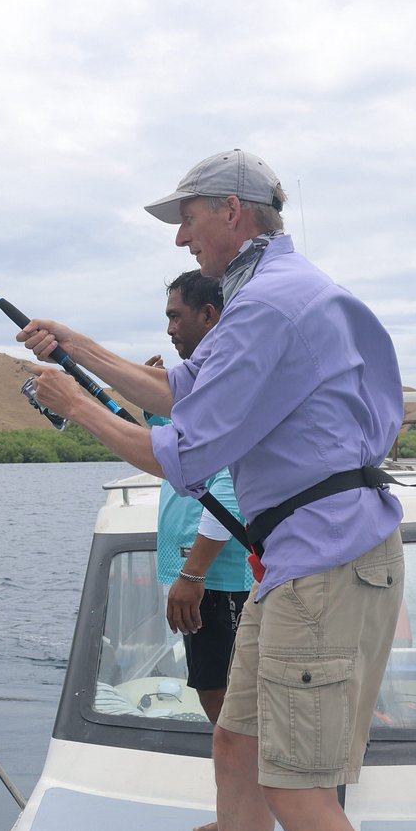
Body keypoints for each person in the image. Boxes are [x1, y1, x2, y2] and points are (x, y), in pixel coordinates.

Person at [18, 149, 404, 831]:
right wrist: (75, 346)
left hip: (323, 563)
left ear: (232, 210)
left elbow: (182, 451)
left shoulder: (268, 305)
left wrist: (75, 403)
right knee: (237, 741)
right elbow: (179, 391)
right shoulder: (269, 294)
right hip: (298, 565)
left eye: (188, 218)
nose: (179, 236)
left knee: (297, 790)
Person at [146, 270, 251, 727]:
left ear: (209, 316)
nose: (169, 329)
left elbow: (229, 490)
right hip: (201, 580)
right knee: (214, 694)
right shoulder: (203, 389)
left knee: (225, 705)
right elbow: (180, 457)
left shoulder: (224, 389)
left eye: (176, 316)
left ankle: (254, 791)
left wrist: (193, 574)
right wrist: (153, 410)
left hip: (217, 582)